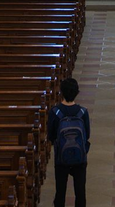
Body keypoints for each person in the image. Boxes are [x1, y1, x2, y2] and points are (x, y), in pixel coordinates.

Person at [47, 78, 91, 207]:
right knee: (80, 191)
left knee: (60, 191)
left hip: (61, 157)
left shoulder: (55, 112)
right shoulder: (83, 112)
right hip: (80, 157)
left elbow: (51, 136)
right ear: (77, 92)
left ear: (61, 92)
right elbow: (87, 135)